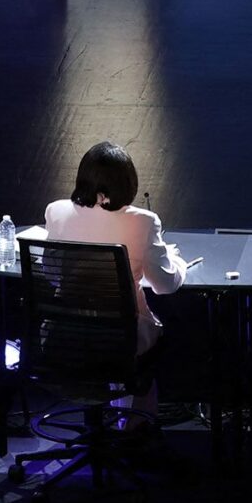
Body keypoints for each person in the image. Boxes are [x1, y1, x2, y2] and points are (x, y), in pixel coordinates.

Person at [41, 141, 190, 392]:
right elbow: (164, 286)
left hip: (64, 336)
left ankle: (117, 420)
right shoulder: (143, 221)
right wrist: (177, 262)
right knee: (167, 332)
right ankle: (138, 423)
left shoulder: (56, 211)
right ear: (128, 182)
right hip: (122, 341)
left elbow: (52, 274)